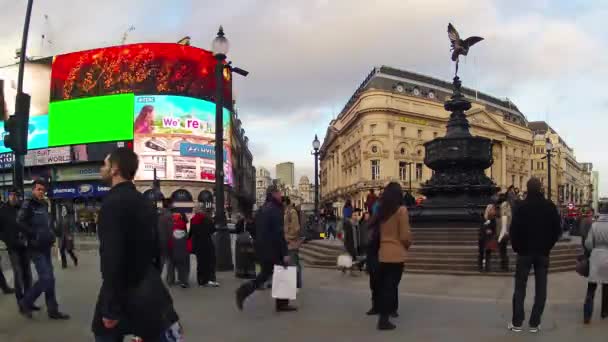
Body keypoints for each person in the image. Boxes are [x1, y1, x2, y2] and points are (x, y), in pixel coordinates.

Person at [93, 147, 181, 341]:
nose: (102, 168)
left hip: (121, 291)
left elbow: (111, 258)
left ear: (115, 169)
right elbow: (157, 249)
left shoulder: (111, 204)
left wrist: (109, 308)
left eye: (105, 164)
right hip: (148, 290)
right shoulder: (143, 202)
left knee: (103, 334)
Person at [508, 177, 561, 333]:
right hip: (542, 253)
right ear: (540, 189)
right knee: (541, 288)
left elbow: (514, 231)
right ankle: (534, 323)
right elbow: (556, 230)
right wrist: (547, 246)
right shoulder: (549, 206)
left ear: (527, 188)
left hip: (524, 253)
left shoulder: (520, 207)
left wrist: (517, 248)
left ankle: (517, 323)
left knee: (519, 287)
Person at [236, 184, 296, 312]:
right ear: (274, 194)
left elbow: (253, 228)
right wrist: (285, 252)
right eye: (279, 193)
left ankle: (244, 291)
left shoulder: (263, 209)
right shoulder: (275, 209)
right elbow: (279, 232)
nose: (281, 195)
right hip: (273, 248)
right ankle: (282, 304)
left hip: (262, 248)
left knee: (265, 273)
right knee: (283, 272)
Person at [18, 179, 70, 320]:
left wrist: (52, 235)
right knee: (46, 278)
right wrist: (34, 234)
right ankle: (25, 302)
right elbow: (20, 222)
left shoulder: (44, 204)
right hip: (35, 247)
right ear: (33, 190)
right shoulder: (29, 203)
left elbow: (46, 224)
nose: (41, 192)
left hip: (45, 246)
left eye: (43, 190)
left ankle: (53, 310)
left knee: (50, 280)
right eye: (39, 189)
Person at [370, 182, 412, 331]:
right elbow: (405, 235)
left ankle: (383, 316)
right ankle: (384, 320)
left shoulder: (382, 211)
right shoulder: (401, 211)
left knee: (383, 286)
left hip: (383, 253)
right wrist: (406, 245)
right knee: (391, 286)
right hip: (397, 254)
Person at [0, 188, 31, 305]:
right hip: (13, 248)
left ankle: (29, 299)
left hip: (25, 246)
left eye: (15, 195)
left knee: (27, 274)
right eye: (11, 195)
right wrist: (7, 239)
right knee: (18, 274)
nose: (13, 197)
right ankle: (21, 300)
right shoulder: (2, 210)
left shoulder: (24, 209)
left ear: (19, 197)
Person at [583, 215, 608, 324]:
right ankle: (604, 312)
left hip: (595, 256)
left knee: (591, 287)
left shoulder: (594, 225)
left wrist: (593, 249)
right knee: (606, 286)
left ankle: (587, 315)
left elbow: (588, 243)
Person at [189, 207, 219, 287]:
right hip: (207, 243)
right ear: (202, 212)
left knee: (200, 262)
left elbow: (191, 233)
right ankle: (209, 279)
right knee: (210, 261)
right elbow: (213, 230)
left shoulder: (193, 220)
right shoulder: (207, 219)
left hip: (198, 244)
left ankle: (201, 281)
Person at [167, 213, 191, 288]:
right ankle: (183, 281)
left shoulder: (172, 235)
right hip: (183, 253)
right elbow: (189, 244)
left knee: (171, 266)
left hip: (174, 253)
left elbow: (170, 244)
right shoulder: (185, 234)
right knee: (183, 267)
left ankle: (170, 280)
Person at [284, 197, 303, 289]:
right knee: (292, 263)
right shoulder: (286, 212)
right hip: (288, 243)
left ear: (285, 203)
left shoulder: (292, 212)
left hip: (292, 242)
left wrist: (288, 237)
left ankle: (297, 284)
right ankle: (294, 283)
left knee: (294, 264)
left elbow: (296, 228)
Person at [479, 202, 497, 272]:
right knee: (481, 253)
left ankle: (487, 267)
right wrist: (486, 229)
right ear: (488, 209)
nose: (493, 210)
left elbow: (494, 228)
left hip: (490, 238)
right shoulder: (483, 217)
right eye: (491, 209)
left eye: (493, 209)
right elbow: (481, 227)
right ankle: (480, 267)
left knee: (488, 253)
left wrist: (491, 231)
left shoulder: (493, 219)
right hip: (483, 237)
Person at [157, 199, 173, 274]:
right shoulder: (169, 215)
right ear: (169, 205)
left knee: (160, 260)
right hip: (167, 241)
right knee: (169, 260)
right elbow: (170, 230)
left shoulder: (158, 214)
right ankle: (170, 279)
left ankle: (157, 276)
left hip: (159, 240)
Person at [497, 193, 512, 272]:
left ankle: (505, 266)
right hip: (505, 230)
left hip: (504, 231)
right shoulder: (506, 205)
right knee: (503, 249)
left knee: (503, 249)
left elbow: (505, 218)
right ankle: (504, 266)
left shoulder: (504, 205)